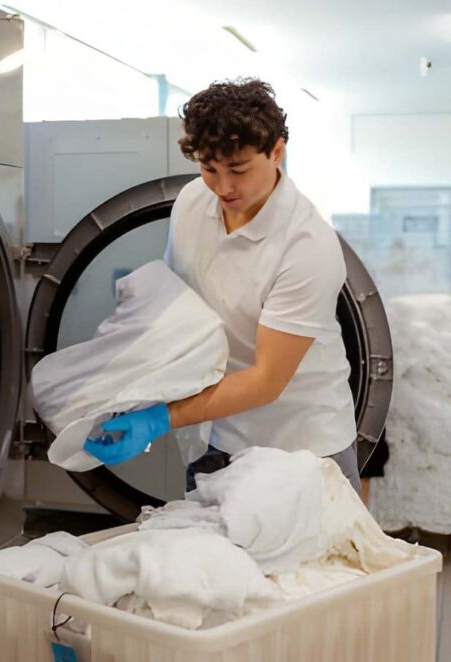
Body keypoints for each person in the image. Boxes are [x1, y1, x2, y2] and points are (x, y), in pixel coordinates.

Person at [82, 78, 362, 494]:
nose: (224, 187)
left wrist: (160, 418)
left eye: (239, 170)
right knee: (208, 558)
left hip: (302, 447)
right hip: (216, 435)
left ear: (277, 152)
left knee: (305, 560)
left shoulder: (307, 245)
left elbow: (267, 379)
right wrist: (122, 384)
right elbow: (176, 307)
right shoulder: (194, 202)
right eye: (210, 169)